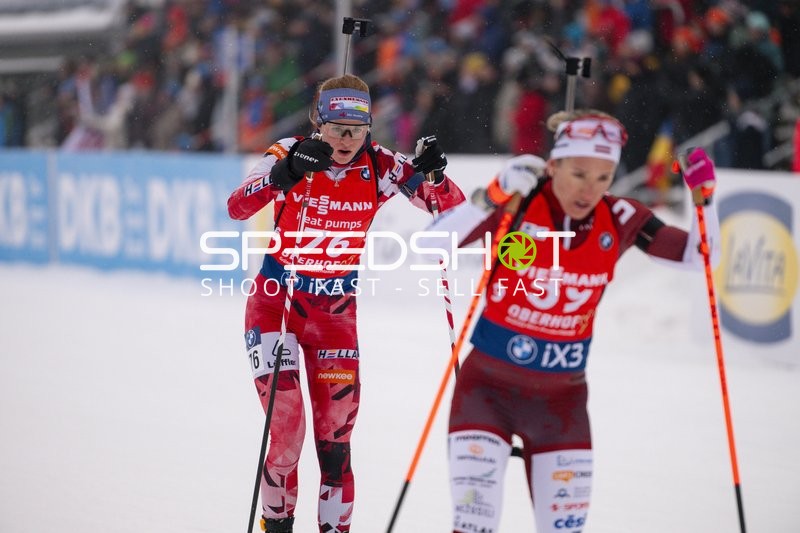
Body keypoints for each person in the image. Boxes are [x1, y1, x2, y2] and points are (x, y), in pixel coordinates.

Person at [422, 110, 720, 533]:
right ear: (554, 165)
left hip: (562, 406)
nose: (589, 189)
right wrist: (492, 195)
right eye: (579, 174)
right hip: (486, 392)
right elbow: (429, 245)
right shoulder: (521, 201)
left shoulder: (620, 217)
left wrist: (706, 199)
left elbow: (701, 257)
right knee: (473, 525)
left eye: (603, 177)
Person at [227, 73, 465, 533]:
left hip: (334, 317)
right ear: (318, 123)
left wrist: (436, 174)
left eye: (357, 130)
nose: (346, 140)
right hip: (276, 305)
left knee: (335, 445)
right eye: (337, 129)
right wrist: (285, 173)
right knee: (287, 431)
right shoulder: (289, 150)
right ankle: (277, 524)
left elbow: (451, 210)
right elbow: (236, 207)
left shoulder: (382, 164)